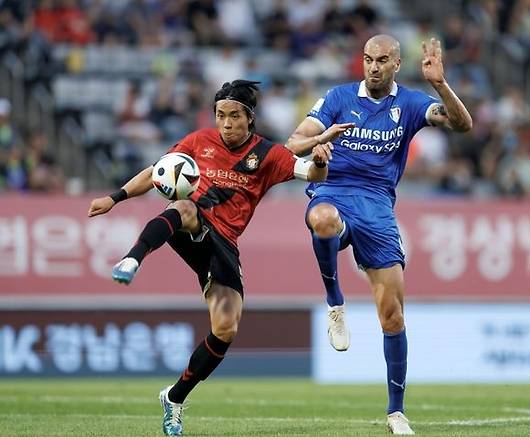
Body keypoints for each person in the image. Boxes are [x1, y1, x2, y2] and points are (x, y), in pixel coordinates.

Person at [87, 80, 349, 437]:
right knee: (183, 206)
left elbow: (311, 173)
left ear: (250, 118)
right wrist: (114, 198)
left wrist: (320, 160)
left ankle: (174, 398)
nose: (226, 123)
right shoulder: (197, 142)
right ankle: (132, 259)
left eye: (234, 116)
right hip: (191, 225)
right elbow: (157, 171)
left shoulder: (269, 155)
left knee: (225, 329)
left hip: (224, 243)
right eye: (220, 115)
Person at [286, 34, 473, 435]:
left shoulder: (409, 103)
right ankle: (334, 303)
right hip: (333, 192)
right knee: (321, 218)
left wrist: (439, 84)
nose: (373, 66)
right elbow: (293, 142)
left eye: (382, 60)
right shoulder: (338, 97)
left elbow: (463, 124)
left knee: (392, 315)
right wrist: (320, 143)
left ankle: (396, 412)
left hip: (378, 210)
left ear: (396, 64)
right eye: (368, 59)